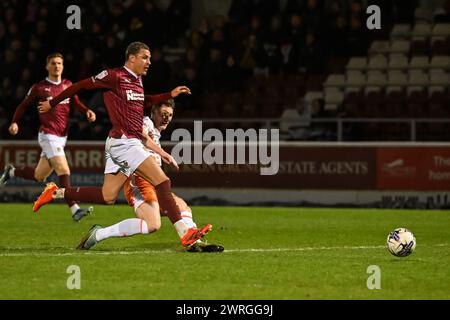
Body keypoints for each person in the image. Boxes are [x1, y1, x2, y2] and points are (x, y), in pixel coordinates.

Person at [33, 42, 212, 247]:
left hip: (120, 143)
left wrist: (169, 95)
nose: (149, 62)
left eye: (150, 58)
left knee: (107, 195)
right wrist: (52, 102)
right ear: (132, 57)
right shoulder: (114, 76)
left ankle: (56, 192)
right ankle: (185, 231)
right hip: (124, 142)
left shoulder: (137, 82)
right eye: (145, 57)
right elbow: (80, 86)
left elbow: (146, 101)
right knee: (162, 182)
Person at [78, 99, 224, 252]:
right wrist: (164, 155)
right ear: (153, 112)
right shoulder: (146, 122)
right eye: (163, 114)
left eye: (170, 115)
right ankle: (99, 234)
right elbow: (141, 135)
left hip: (152, 184)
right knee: (154, 224)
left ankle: (195, 242)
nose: (167, 118)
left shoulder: (156, 134)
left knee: (182, 207)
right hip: (139, 182)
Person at [0, 53, 96, 221]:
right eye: (53, 63)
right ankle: (75, 209)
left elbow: (75, 102)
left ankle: (12, 171)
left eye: (59, 63)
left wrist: (86, 111)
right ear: (47, 66)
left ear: (63, 66)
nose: (56, 66)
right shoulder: (40, 87)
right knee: (64, 170)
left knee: (39, 176)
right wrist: (15, 122)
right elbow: (23, 106)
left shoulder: (68, 85)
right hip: (48, 134)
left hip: (62, 136)